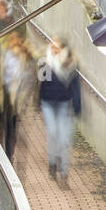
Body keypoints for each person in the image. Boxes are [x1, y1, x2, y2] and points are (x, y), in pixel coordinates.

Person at [39, 39, 82, 186]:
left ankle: (64, 172)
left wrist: (77, 105)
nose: (53, 48)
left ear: (63, 48)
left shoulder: (71, 64)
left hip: (64, 103)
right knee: (52, 132)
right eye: (52, 46)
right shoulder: (44, 62)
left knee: (64, 139)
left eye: (56, 46)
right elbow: (41, 83)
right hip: (48, 102)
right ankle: (52, 161)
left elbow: (76, 86)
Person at [0, 32, 36, 163]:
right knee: (7, 124)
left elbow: (30, 79)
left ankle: (9, 153)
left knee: (12, 126)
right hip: (7, 93)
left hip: (18, 96)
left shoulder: (25, 58)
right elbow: (1, 73)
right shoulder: (6, 54)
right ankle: (6, 150)